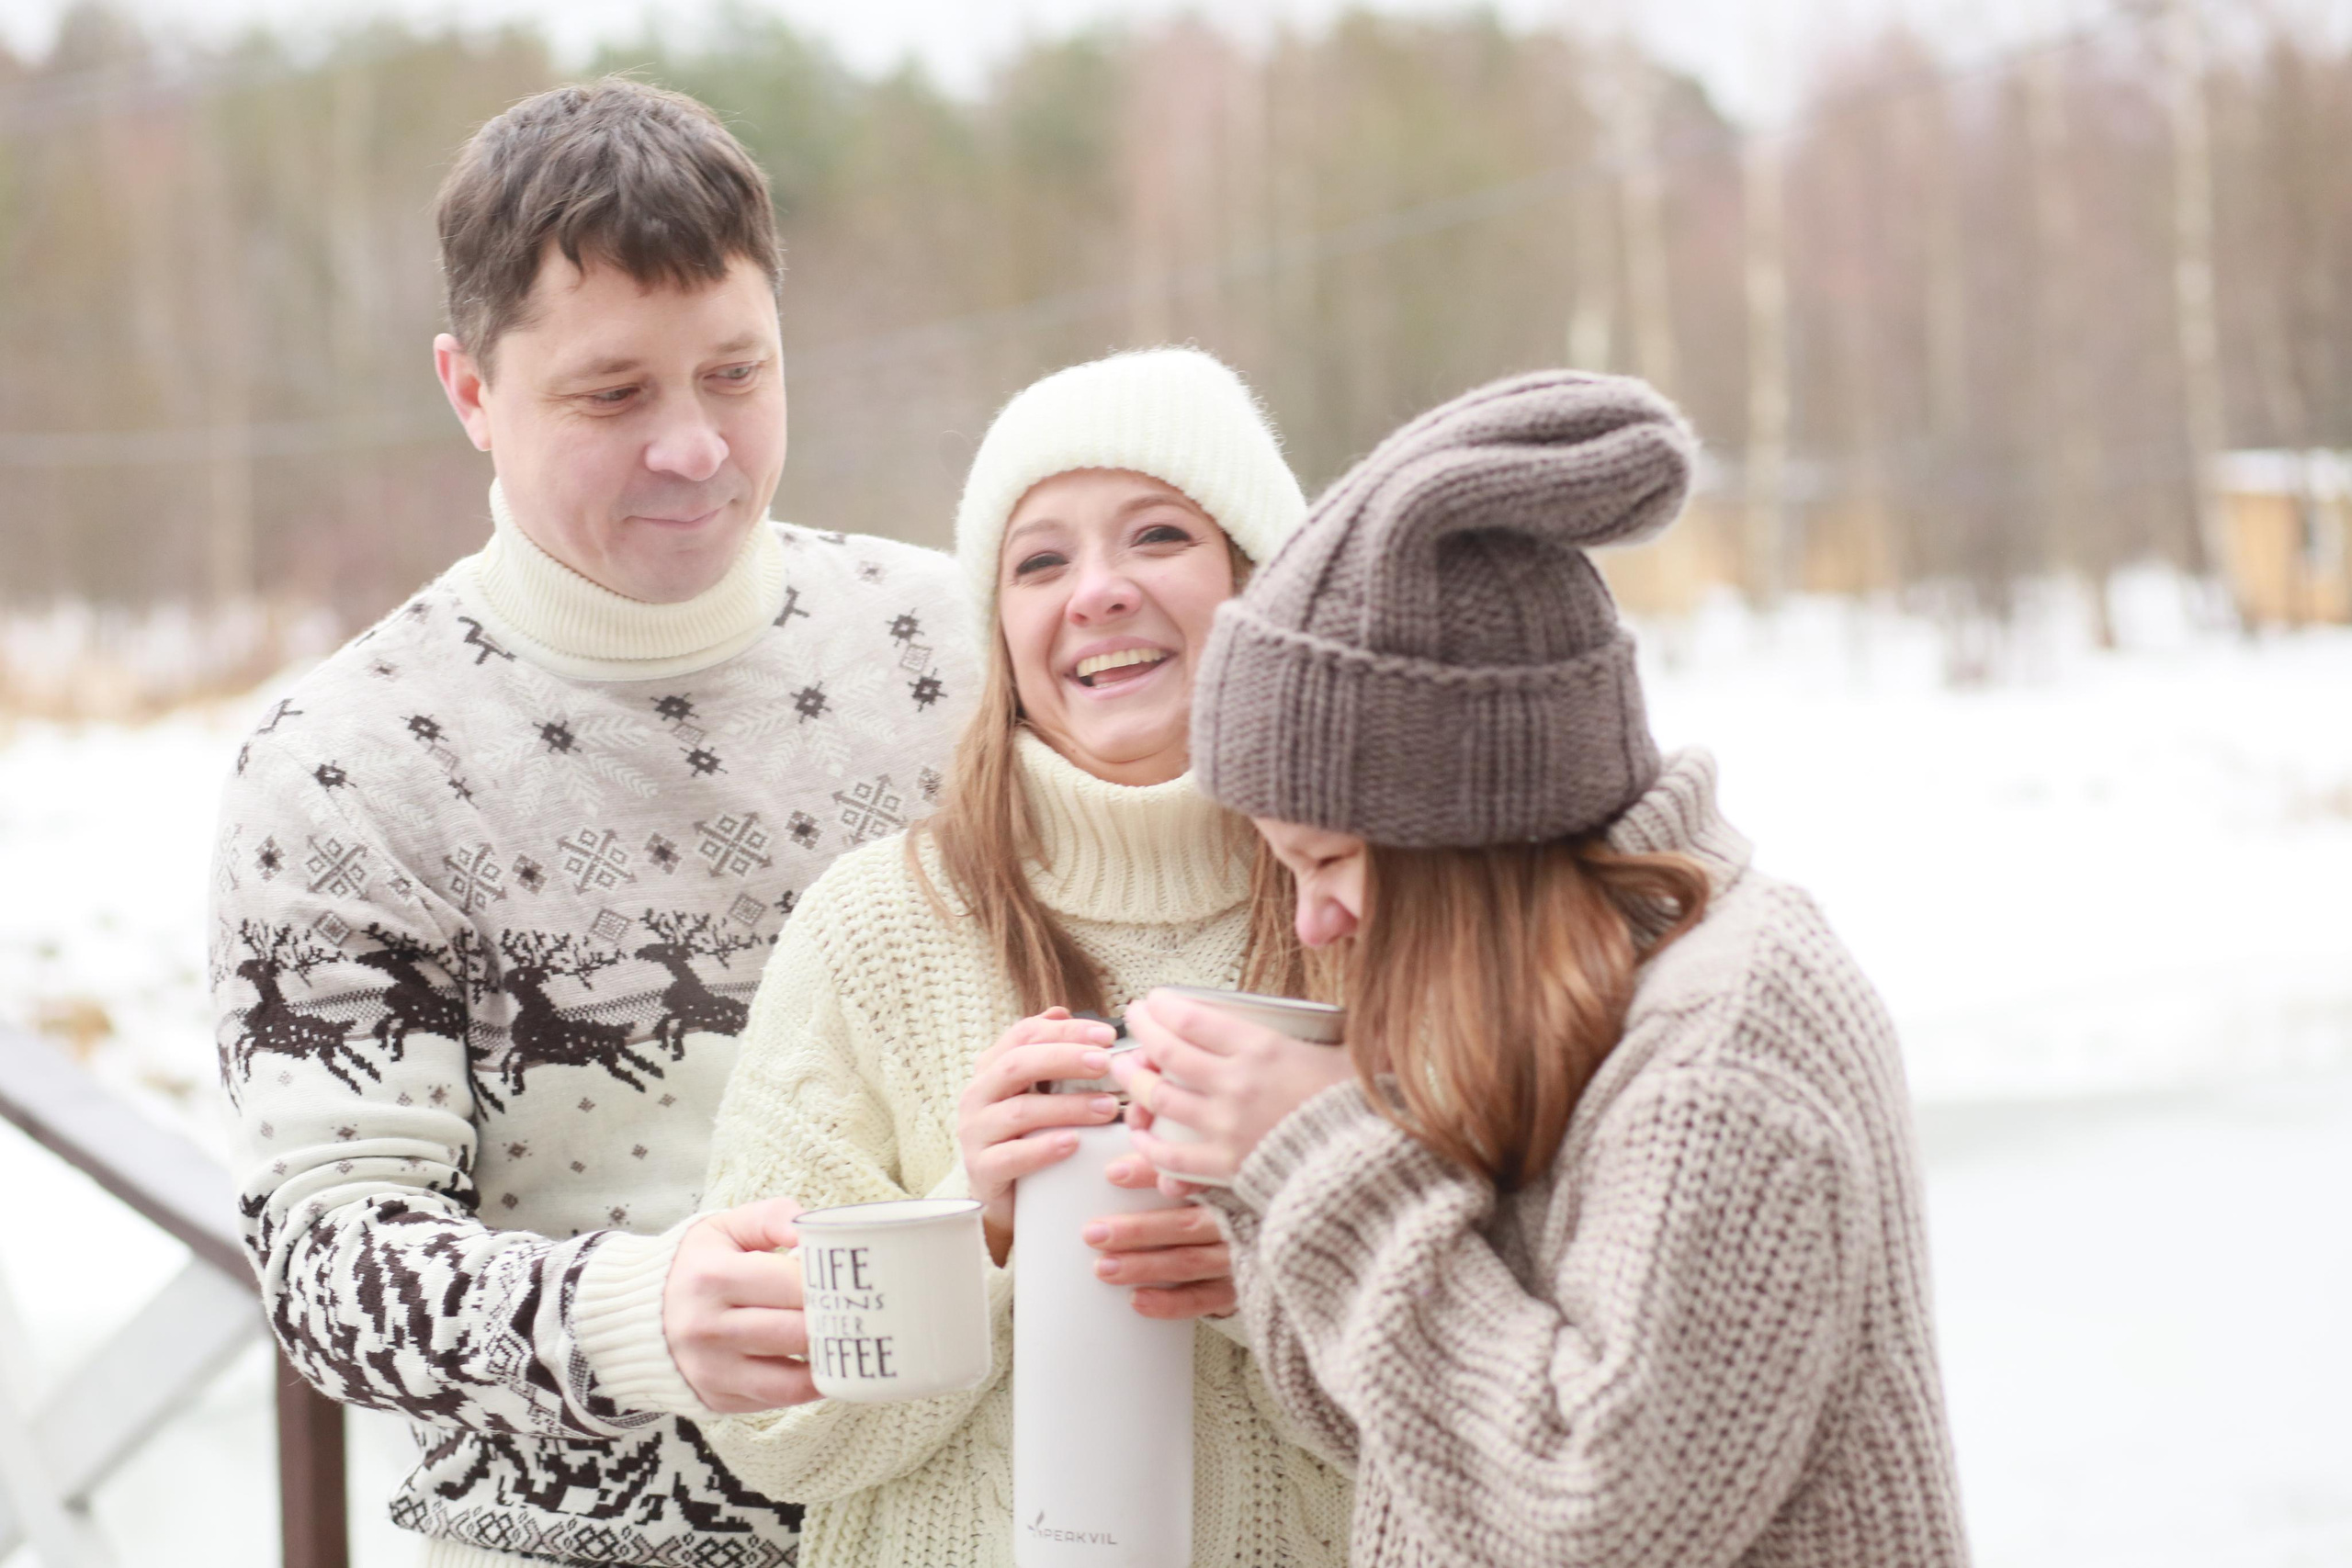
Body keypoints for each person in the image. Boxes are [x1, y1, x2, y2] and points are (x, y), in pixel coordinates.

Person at [209, 78, 973, 1567]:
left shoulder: (958, 648)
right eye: (613, 395)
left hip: (985, 1516)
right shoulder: (344, 767)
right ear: (470, 391)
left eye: (737, 375)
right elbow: (324, 1262)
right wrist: (635, 1312)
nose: (693, 448)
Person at [1114, 371, 1972, 1567]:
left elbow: (1589, 1518)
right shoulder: (1554, 999)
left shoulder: (1723, 1046)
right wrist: (1267, 1213)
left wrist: (1327, 1164)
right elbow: (1411, 1449)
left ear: (1461, 827)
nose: (1314, 925)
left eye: (1328, 863)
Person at [696, 347, 1353, 1566]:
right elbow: (771, 1432)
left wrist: (1287, 1262)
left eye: (1158, 535)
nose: (1095, 593)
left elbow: (1523, 1408)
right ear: (999, 632)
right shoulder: (874, 927)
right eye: (1039, 560)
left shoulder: (1383, 909)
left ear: (1266, 582)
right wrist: (975, 1232)